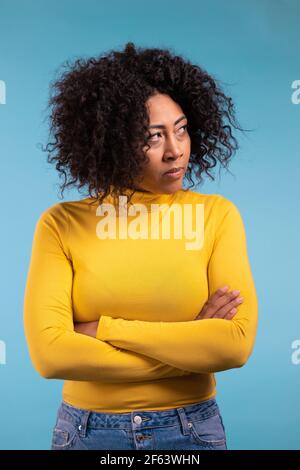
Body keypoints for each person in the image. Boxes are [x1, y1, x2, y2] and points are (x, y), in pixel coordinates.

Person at [23, 42, 258, 450]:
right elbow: (51, 356)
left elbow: (234, 344)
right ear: (112, 141)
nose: (175, 150)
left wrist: (104, 330)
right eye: (154, 137)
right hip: (87, 433)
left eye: (181, 129)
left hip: (190, 431)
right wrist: (190, 342)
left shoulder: (216, 216)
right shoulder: (60, 225)